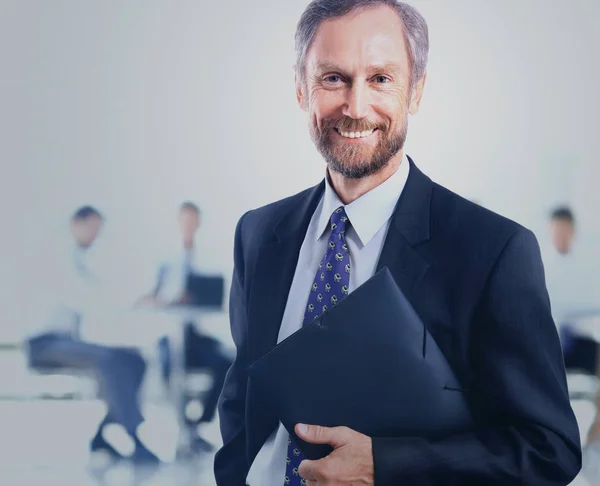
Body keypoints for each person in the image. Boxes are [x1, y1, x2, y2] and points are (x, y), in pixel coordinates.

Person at [214, 1, 581, 485]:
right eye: (333, 78)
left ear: (417, 91)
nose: (356, 106)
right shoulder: (259, 234)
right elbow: (243, 404)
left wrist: (385, 466)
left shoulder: (492, 251)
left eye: (381, 79)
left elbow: (547, 449)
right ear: (301, 89)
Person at [26, 206, 159, 465]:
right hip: (44, 343)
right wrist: (133, 300)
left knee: (135, 360)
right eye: (94, 229)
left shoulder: (75, 257)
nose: (95, 237)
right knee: (110, 359)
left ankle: (101, 436)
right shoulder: (56, 254)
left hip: (66, 341)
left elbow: (98, 287)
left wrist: (135, 298)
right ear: (78, 222)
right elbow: (83, 295)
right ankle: (135, 439)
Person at [139, 202, 232, 453]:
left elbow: (216, 294)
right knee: (171, 368)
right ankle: (183, 428)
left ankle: (198, 423)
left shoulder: (205, 258)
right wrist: (170, 299)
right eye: (185, 221)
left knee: (228, 363)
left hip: (195, 336)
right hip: (168, 337)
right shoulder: (163, 259)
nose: (189, 226)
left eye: (194, 221)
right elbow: (146, 297)